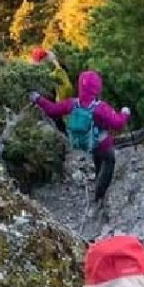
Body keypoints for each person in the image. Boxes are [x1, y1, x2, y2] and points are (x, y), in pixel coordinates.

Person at [31, 70, 130, 202]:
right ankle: (99, 194)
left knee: (97, 156)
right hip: (103, 143)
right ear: (97, 88)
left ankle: (97, 178)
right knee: (109, 161)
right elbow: (118, 124)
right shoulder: (100, 107)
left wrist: (38, 98)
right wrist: (125, 113)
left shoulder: (73, 103)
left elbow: (52, 110)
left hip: (86, 142)